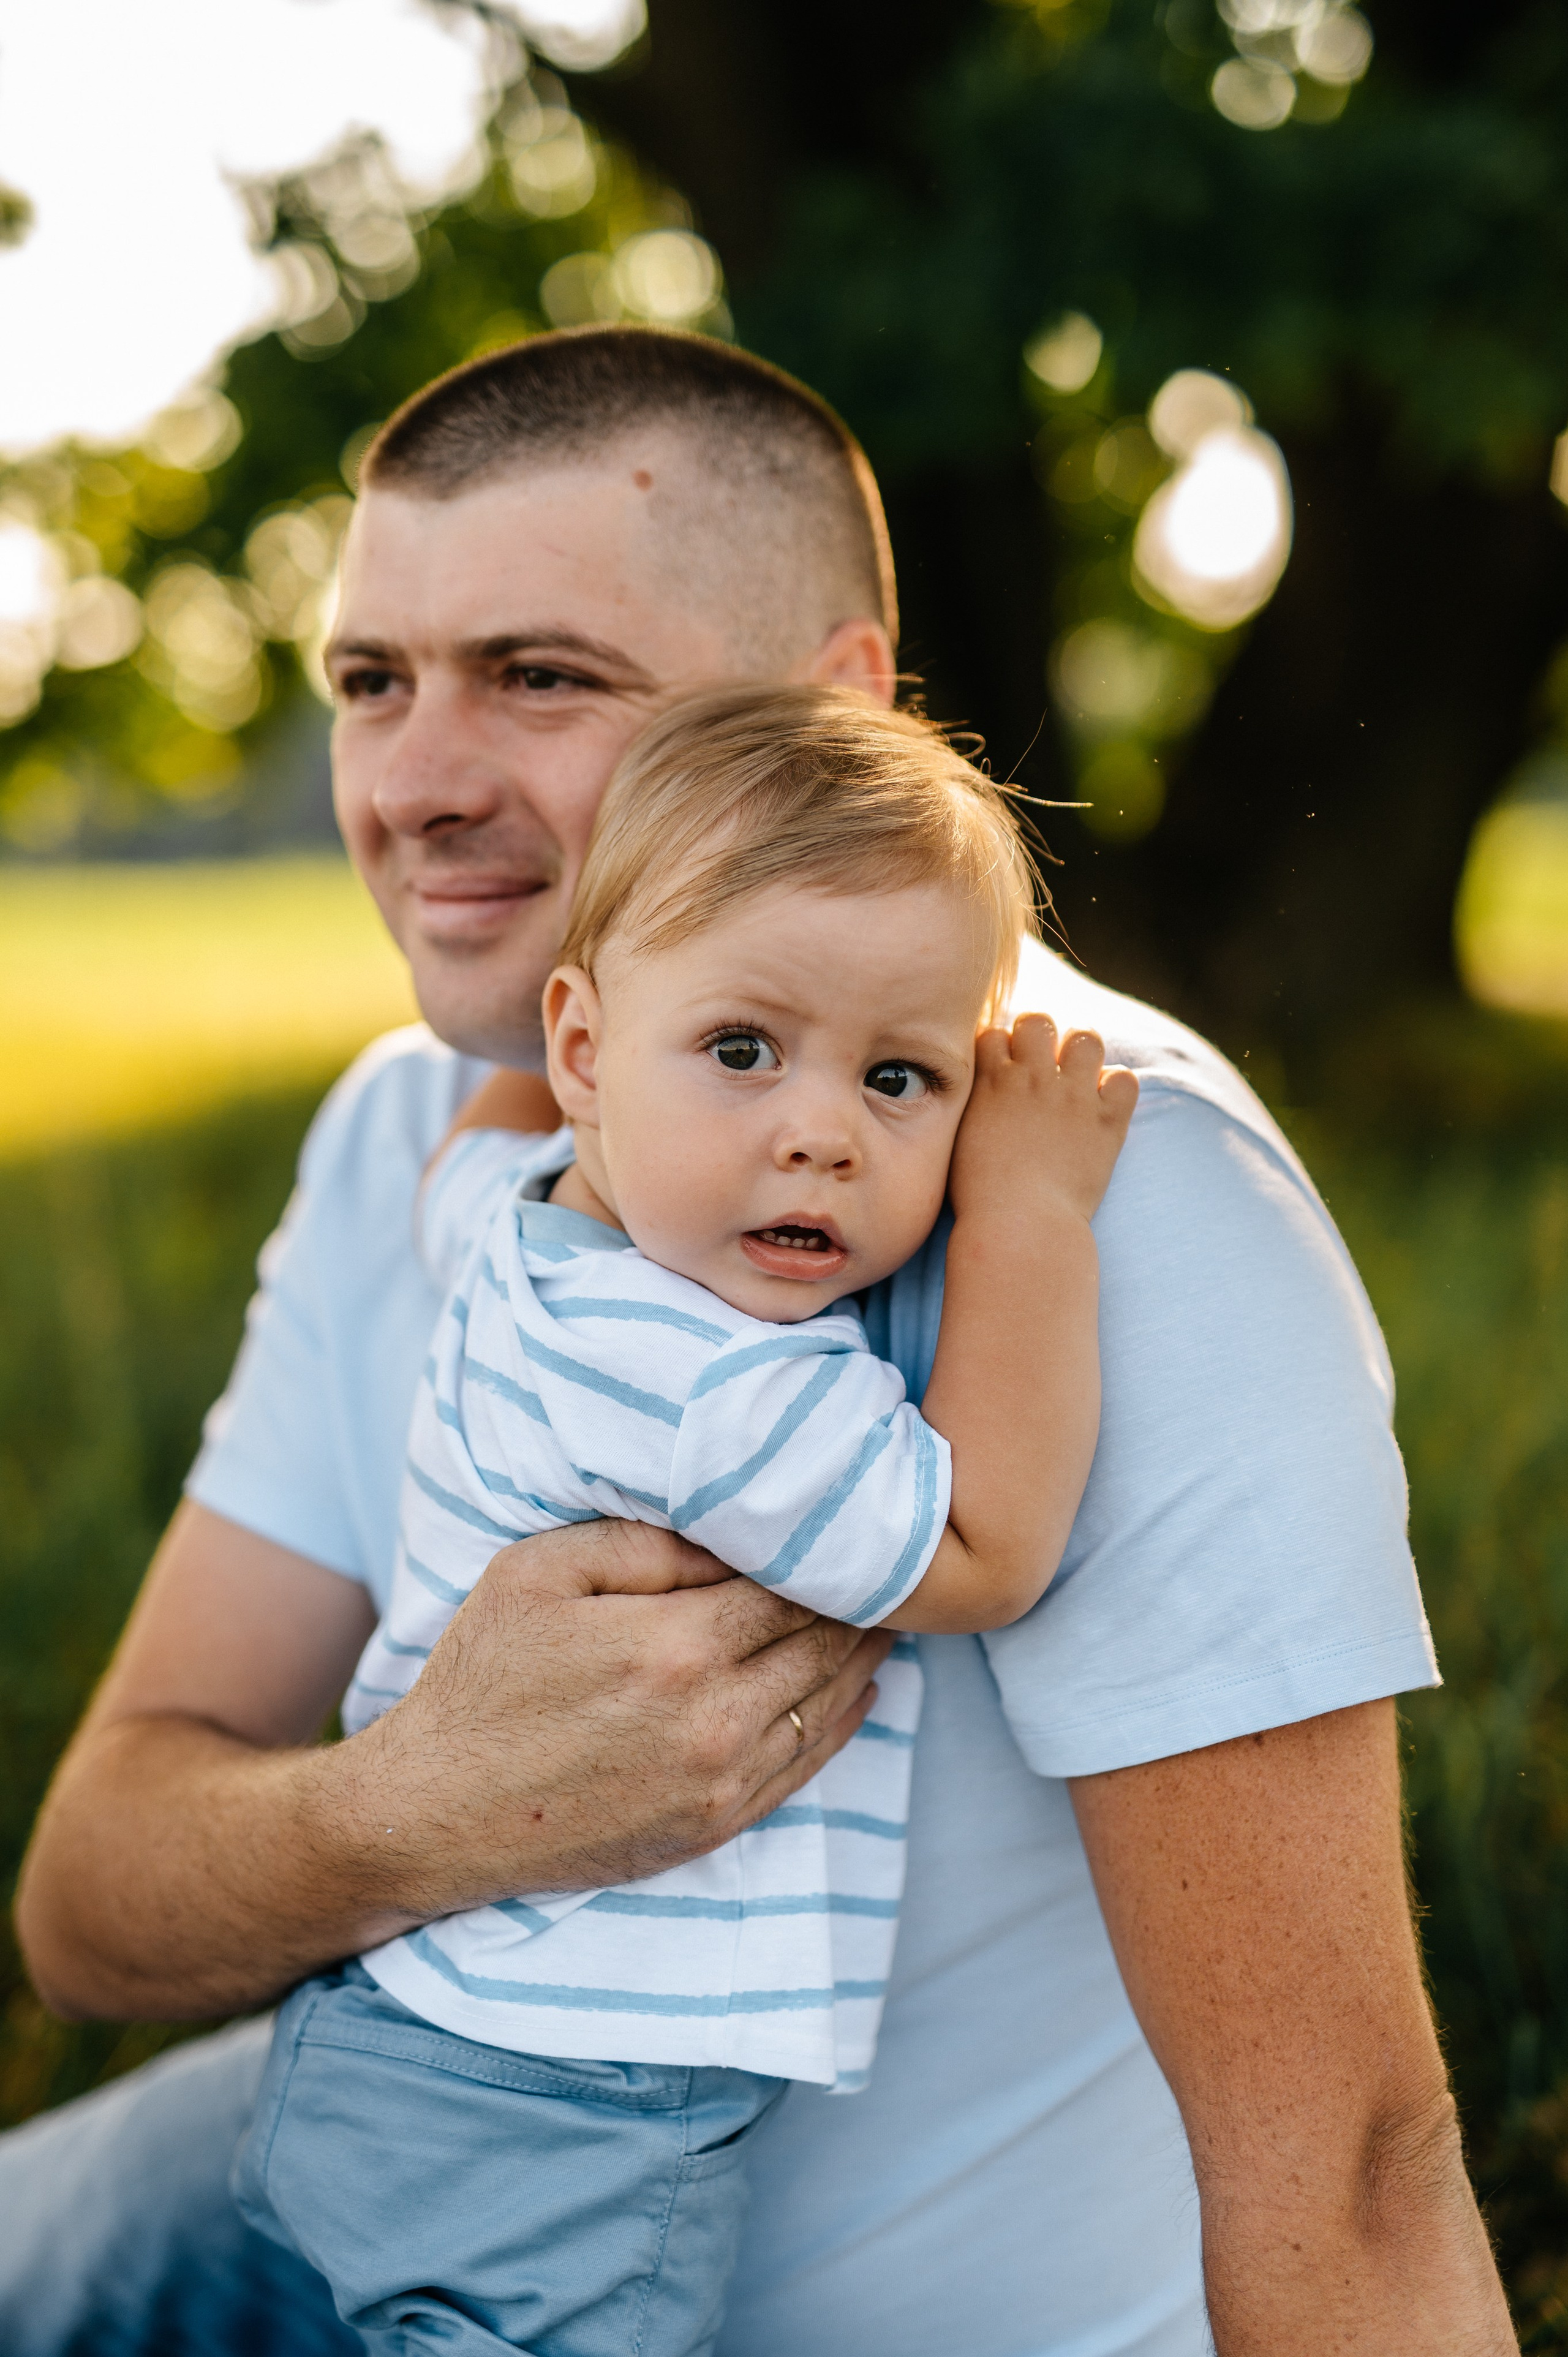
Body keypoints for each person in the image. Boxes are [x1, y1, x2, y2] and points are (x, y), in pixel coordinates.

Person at [4, 327, 1516, 2357]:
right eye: (372, 680)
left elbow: (1346, 2159)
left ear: (839, 716)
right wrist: (425, 1805)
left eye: (541, 677)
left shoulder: (1111, 1197)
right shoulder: (412, 1128)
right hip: (421, 2129)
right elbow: (88, 1904)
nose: (414, 785)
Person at [233, 684, 1137, 2353]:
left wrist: (645, 1064)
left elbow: (477, 1155)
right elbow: (980, 1551)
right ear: (580, 1050)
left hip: (425, 2030)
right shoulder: (710, 1374)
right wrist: (1031, 1211)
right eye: (741, 1051)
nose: (817, 1131)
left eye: (903, 1077)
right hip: (570, 2095)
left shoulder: (522, 1232)